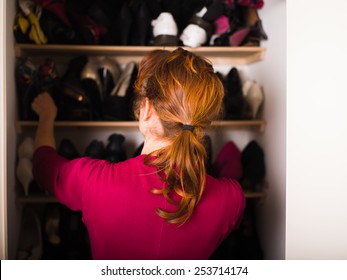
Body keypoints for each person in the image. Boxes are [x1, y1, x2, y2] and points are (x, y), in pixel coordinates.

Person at [31, 48, 245, 260]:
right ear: (202, 120)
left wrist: (47, 116)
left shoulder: (93, 180)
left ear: (148, 109)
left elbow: (43, 165)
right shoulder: (231, 198)